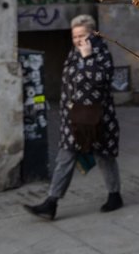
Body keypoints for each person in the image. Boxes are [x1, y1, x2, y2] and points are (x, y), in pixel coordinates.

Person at [24, 14, 122, 220]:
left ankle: (115, 195)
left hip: (97, 119)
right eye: (74, 36)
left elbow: (99, 81)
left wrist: (88, 58)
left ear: (92, 34)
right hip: (73, 119)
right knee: (65, 158)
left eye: (82, 35)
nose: (78, 40)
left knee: (105, 157)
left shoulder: (101, 53)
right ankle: (51, 202)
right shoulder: (73, 53)